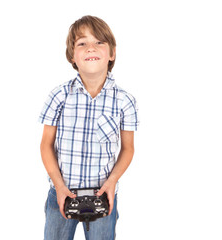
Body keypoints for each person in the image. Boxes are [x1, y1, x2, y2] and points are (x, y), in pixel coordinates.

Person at [39, 15, 139, 240]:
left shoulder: (125, 101)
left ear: (111, 53)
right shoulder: (58, 96)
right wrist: (58, 184)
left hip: (103, 195)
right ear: (72, 56)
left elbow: (128, 148)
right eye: (82, 43)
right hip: (61, 193)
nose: (90, 48)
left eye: (99, 42)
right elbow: (46, 144)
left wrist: (112, 182)